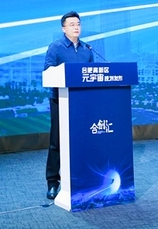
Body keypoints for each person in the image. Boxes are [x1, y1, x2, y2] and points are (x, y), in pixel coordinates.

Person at [43, 11, 94, 200]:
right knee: (57, 142)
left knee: (81, 140)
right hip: (60, 100)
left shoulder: (87, 49)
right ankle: (53, 182)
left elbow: (93, 75)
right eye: (72, 24)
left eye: (78, 24)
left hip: (82, 101)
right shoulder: (56, 47)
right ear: (63, 28)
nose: (76, 27)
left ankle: (80, 178)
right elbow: (48, 72)